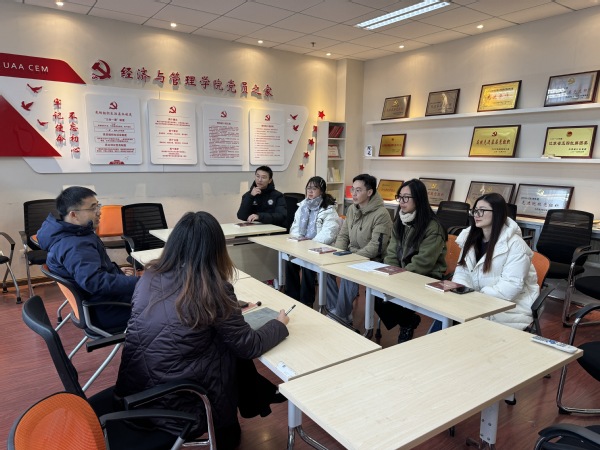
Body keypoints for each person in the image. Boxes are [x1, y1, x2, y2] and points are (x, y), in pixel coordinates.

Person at [115, 211, 290, 449]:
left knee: (226, 346)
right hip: (181, 400)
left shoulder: (150, 275)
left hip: (137, 387)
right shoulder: (213, 287)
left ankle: (259, 398)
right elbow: (249, 345)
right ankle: (233, 424)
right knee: (234, 354)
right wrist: (279, 324)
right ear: (216, 249)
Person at [37, 186, 136, 330]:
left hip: (101, 303)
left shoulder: (75, 234)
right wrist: (141, 282)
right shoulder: (75, 245)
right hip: (107, 311)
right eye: (93, 208)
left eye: (98, 206)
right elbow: (95, 282)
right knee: (165, 304)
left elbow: (91, 271)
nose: (99, 212)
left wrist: (116, 272)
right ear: (74, 215)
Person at [375, 179, 447, 343]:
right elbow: (391, 251)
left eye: (406, 197)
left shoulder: (433, 227)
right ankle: (408, 321)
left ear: (419, 199)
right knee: (375, 292)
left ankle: (406, 321)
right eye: (400, 197)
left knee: (391, 297)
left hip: (426, 277)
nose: (401, 201)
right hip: (401, 273)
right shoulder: (400, 221)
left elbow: (423, 263)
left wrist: (399, 278)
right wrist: (391, 273)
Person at [452, 193, 539, 329]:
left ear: (497, 213)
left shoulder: (516, 245)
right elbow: (461, 271)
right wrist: (464, 292)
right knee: (446, 313)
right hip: (477, 301)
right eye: (475, 210)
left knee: (455, 322)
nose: (476, 214)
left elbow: (511, 286)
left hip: (509, 308)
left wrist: (476, 298)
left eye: (482, 210)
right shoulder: (469, 239)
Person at [326, 174, 392, 325]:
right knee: (326, 268)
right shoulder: (351, 209)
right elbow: (343, 235)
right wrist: (337, 254)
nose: (353, 194)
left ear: (369, 192)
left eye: (358, 190)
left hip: (373, 259)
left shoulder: (382, 214)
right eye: (353, 190)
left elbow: (376, 247)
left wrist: (351, 259)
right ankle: (336, 310)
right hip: (351, 255)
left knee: (349, 272)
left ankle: (341, 314)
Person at [286, 176, 341, 307]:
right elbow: (295, 228)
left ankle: (306, 302)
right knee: (289, 261)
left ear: (322, 191)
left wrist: (309, 246)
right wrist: (298, 242)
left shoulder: (329, 209)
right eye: (308, 188)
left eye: (314, 188)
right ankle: (292, 297)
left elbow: (328, 234)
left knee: (307, 266)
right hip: (302, 246)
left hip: (320, 248)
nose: (310, 191)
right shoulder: (302, 206)